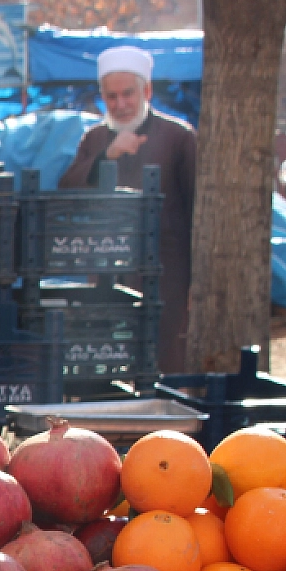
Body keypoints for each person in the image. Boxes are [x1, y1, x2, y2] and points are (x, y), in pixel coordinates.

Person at [59, 45, 197, 373]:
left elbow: (197, 211)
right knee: (110, 361)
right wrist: (107, 155)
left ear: (146, 91)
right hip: (108, 270)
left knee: (164, 361)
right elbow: (67, 189)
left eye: (128, 94)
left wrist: (196, 283)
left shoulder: (178, 137)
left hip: (168, 273)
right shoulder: (95, 139)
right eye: (112, 97)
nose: (120, 105)